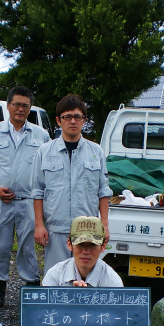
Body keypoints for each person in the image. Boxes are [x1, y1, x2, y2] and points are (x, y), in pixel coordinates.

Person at [0, 86, 51, 311]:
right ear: (8, 105)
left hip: (29, 201)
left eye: (25, 106)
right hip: (2, 202)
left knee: (28, 248)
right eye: (16, 104)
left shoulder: (41, 135)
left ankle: (31, 291)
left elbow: (47, 170)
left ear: (30, 108)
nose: (20, 109)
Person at [32, 94, 112, 275]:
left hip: (88, 230)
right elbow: (37, 191)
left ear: (84, 120)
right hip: (56, 229)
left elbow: (103, 190)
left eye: (78, 117)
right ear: (58, 121)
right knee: (56, 277)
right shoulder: (45, 151)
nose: (72, 121)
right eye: (67, 117)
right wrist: (39, 225)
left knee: (87, 277)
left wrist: (104, 224)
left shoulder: (95, 151)